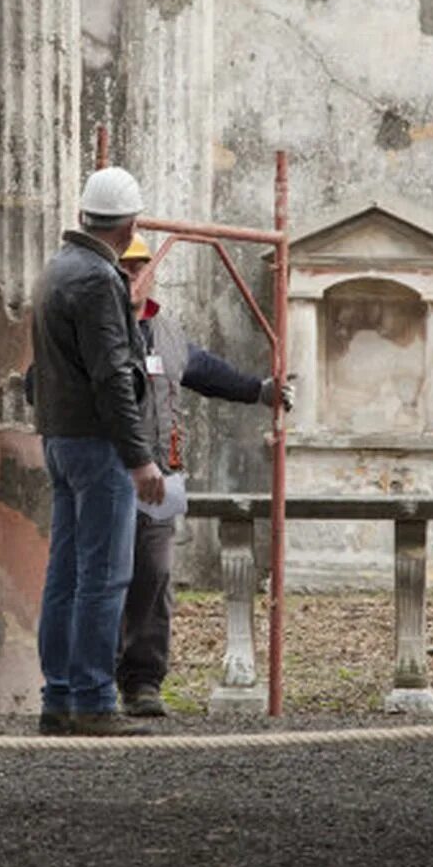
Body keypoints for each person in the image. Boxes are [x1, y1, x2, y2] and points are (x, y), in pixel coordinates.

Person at [116, 234, 294, 717]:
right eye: (124, 267)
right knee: (104, 578)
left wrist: (261, 392)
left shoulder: (167, 331)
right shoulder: (92, 326)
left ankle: (143, 683)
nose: (132, 276)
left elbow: (206, 371)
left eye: (140, 268)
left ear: (151, 273)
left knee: (156, 576)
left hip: (161, 479)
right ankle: (89, 683)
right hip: (107, 476)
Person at [30, 166, 165, 737]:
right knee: (106, 576)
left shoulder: (56, 270)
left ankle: (59, 695)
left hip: (60, 439)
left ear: (85, 215)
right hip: (97, 444)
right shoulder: (98, 279)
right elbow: (113, 375)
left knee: (65, 574)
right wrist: (139, 457)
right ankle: (91, 697)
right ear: (128, 225)